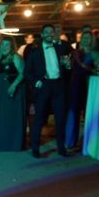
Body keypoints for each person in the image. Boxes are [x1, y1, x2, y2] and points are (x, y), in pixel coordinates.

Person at [24, 24, 72, 158]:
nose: (50, 34)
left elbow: (66, 69)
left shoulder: (60, 49)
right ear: (42, 34)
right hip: (44, 85)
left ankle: (61, 148)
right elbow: (27, 72)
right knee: (39, 118)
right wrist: (37, 81)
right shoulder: (35, 51)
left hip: (58, 85)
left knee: (60, 118)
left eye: (52, 32)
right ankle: (35, 148)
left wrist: (68, 67)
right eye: (47, 32)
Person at [0, 36, 26, 151]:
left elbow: (22, 73)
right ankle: (0, 144)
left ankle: (12, 144)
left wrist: (13, 86)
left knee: (11, 116)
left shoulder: (16, 57)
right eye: (2, 45)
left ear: (11, 47)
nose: (4, 47)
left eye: (7, 45)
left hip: (12, 88)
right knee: (0, 115)